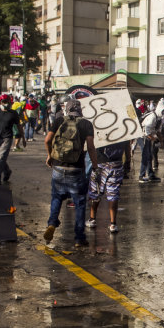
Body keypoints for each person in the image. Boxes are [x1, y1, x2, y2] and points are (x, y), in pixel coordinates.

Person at [43, 99, 98, 247]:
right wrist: (94, 164)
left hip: (58, 167)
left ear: (67, 109)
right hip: (77, 169)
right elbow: (91, 147)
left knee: (56, 198)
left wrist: (50, 156)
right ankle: (79, 238)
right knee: (80, 203)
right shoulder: (86, 124)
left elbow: (47, 139)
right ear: (80, 110)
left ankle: (52, 223)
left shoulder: (59, 120)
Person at [85, 140, 131, 233]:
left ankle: (92, 219)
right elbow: (127, 148)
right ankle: (113, 224)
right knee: (113, 193)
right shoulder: (123, 129)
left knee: (95, 191)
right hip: (116, 164)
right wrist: (127, 163)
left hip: (100, 163)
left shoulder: (100, 127)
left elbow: (91, 145)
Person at [0, 95, 26, 185]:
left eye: (7, 101)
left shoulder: (13, 113)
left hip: (7, 138)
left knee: (2, 157)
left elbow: (19, 126)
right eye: (4, 101)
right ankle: (7, 171)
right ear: (0, 102)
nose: (6, 103)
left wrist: (23, 138)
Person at [139, 107, 161, 183]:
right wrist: (154, 139)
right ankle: (141, 176)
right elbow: (147, 130)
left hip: (146, 137)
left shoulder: (155, 116)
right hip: (144, 137)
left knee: (149, 156)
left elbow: (153, 130)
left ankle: (150, 174)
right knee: (146, 156)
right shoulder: (153, 117)